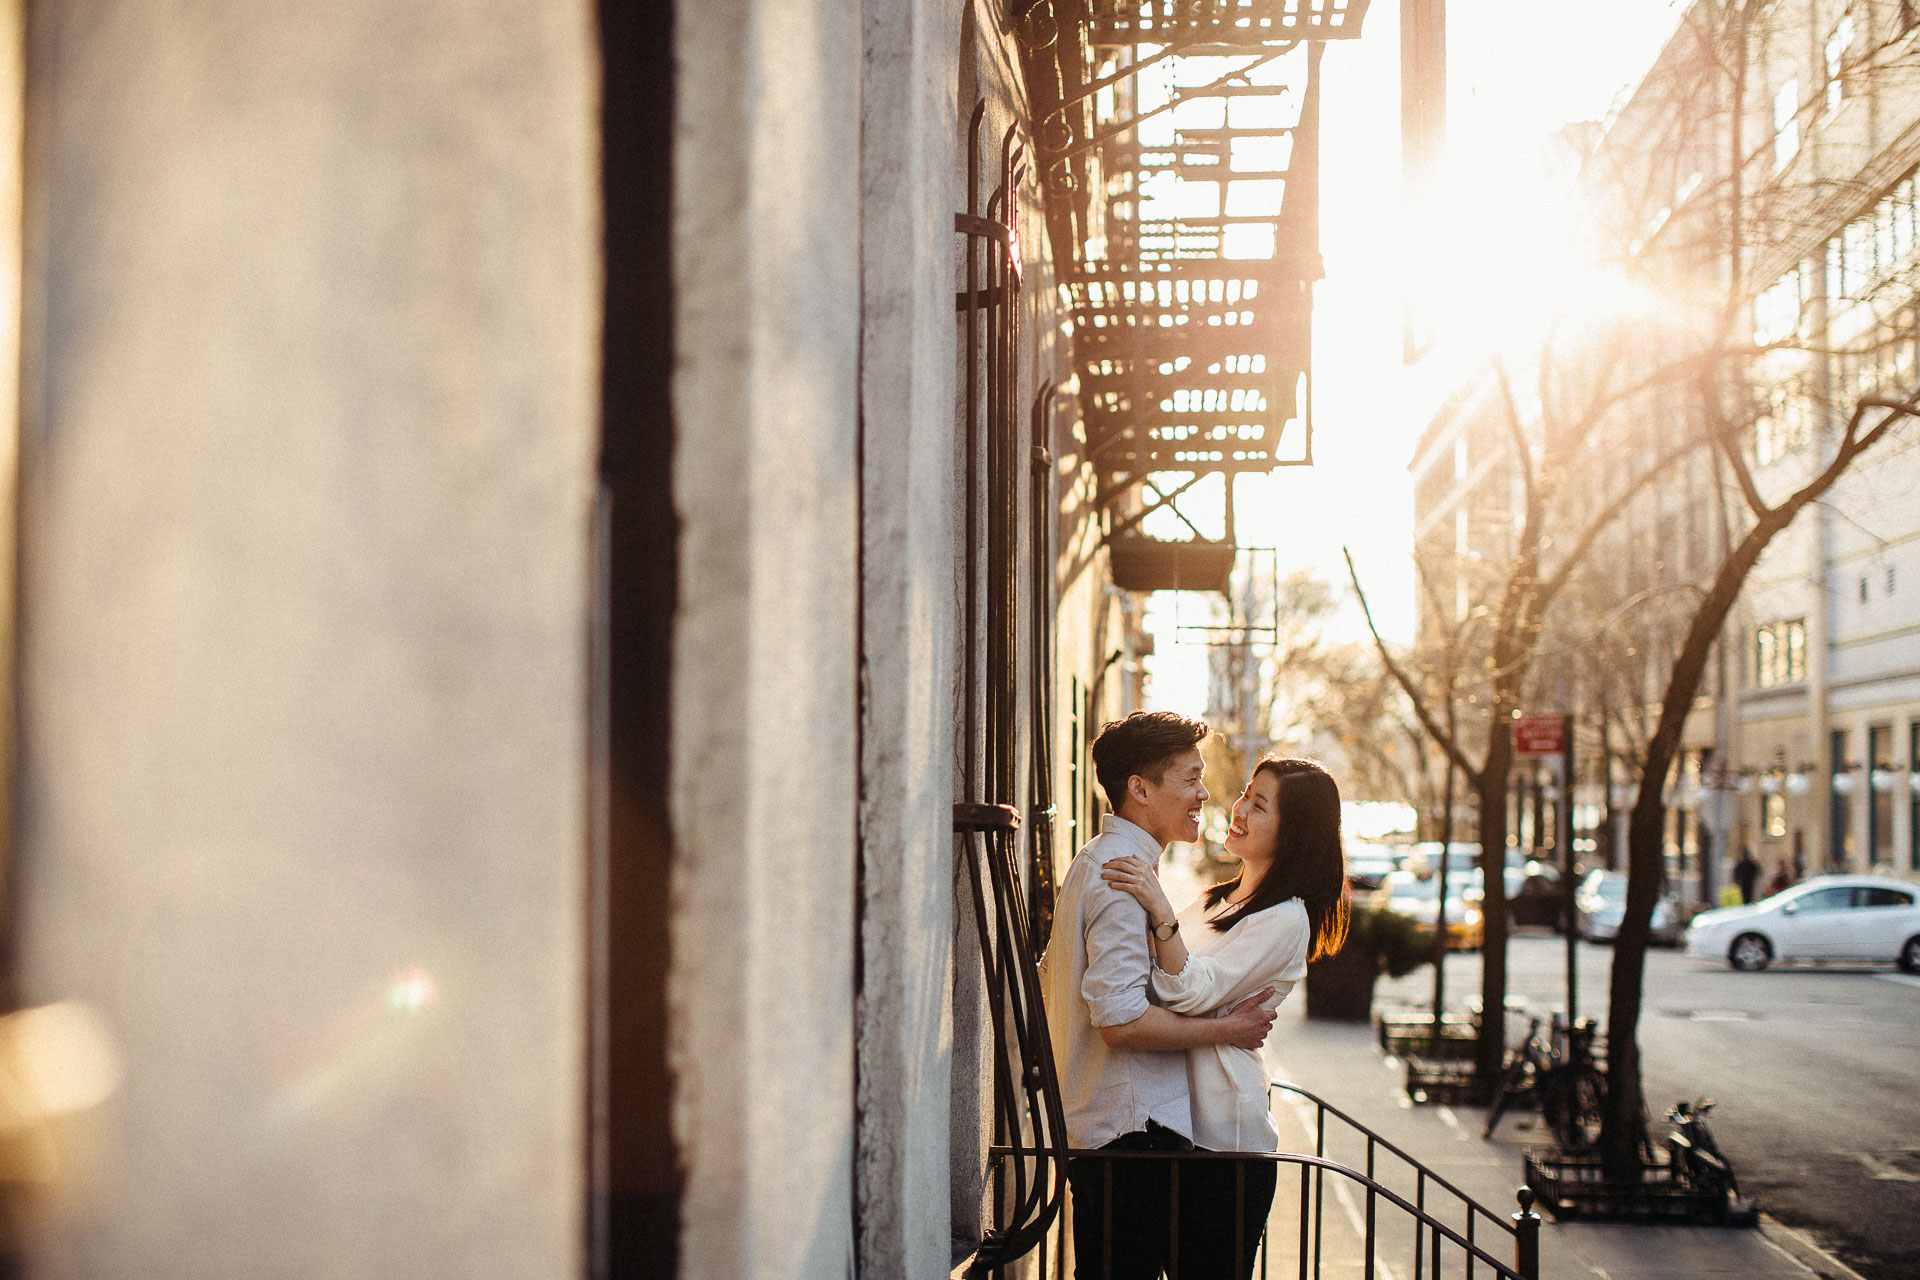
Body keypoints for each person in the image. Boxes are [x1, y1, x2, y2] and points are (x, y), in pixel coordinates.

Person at [1038, 711, 1279, 1280]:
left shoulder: (1113, 864)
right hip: (1129, 1139)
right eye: (1190, 778)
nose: (1205, 793)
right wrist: (1227, 1030)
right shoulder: (1119, 876)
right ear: (1140, 789)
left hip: (1120, 1137)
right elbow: (1119, 1022)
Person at [1100, 757, 1351, 1280]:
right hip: (1172, 1130)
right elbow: (1160, 983)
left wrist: (1159, 911)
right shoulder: (1217, 900)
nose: (1237, 810)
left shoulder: (1285, 918)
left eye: (1258, 806)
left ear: (1294, 832)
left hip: (1223, 1148)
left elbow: (1188, 990)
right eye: (1244, 794)